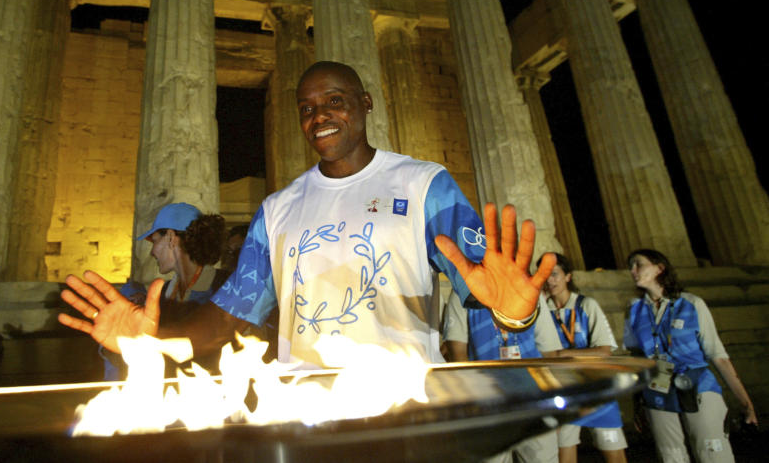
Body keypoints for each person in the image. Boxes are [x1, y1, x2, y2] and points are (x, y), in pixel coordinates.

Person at [59, 60, 555, 368]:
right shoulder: (277, 209)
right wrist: (154, 341)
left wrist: (517, 310)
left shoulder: (424, 185)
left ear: (365, 104)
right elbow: (229, 317)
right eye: (306, 108)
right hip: (306, 413)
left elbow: (493, 294)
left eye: (334, 101)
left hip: (404, 409)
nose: (319, 117)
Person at [623, 249, 757, 463]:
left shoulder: (691, 303)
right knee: (671, 456)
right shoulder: (633, 310)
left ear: (660, 268)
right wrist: (637, 403)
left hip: (697, 383)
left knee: (712, 451)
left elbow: (717, 355)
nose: (632, 270)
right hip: (657, 386)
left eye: (638, 264)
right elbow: (636, 357)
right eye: (631, 266)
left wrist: (746, 403)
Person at [102, 202, 226, 379]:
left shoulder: (224, 287)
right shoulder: (163, 294)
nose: (152, 252)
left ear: (170, 237)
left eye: (154, 241)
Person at [443, 285, 562, 463]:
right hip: (488, 407)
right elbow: (457, 355)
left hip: (534, 403)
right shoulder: (463, 292)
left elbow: (549, 354)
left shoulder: (530, 291)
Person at [541, 253, 628, 463]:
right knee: (564, 450)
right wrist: (540, 305)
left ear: (568, 276)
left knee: (613, 449)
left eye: (555, 274)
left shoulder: (587, 305)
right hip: (562, 389)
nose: (549, 280)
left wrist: (561, 354)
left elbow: (604, 350)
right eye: (545, 275)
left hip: (594, 386)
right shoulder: (543, 310)